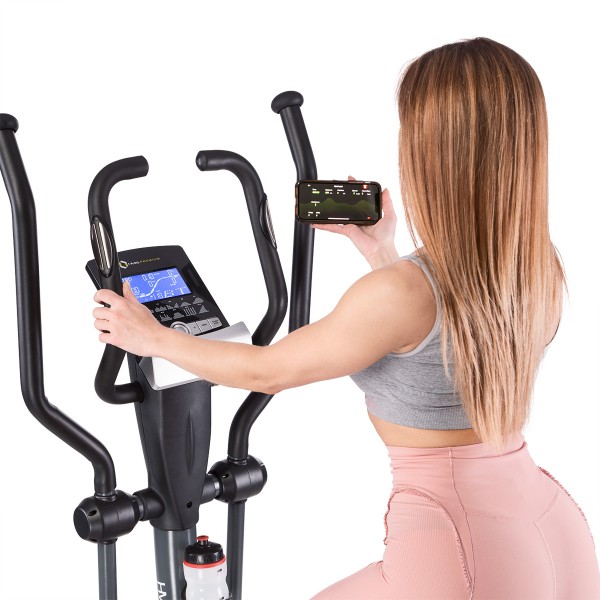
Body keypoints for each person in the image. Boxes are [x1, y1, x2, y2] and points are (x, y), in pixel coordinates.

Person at [93, 37, 600, 599]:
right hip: (553, 531)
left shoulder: (400, 293)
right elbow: (443, 337)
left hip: (459, 545)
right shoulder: (537, 266)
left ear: (434, 153)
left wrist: (153, 337)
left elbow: (268, 371)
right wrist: (382, 250)